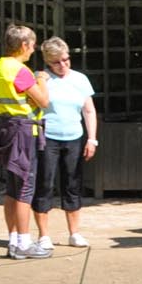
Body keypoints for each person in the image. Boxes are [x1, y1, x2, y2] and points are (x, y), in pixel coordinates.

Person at [0, 24, 51, 258]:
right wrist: (41, 79)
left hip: (5, 127)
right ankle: (24, 243)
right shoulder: (20, 70)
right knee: (25, 187)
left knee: (12, 188)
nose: (33, 50)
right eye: (32, 45)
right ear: (24, 45)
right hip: (23, 131)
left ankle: (13, 240)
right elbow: (43, 101)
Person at [33, 38, 98, 248]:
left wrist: (92, 139)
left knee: (73, 183)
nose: (63, 65)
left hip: (74, 136)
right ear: (48, 62)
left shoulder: (80, 79)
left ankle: (74, 232)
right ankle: (43, 235)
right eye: (57, 62)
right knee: (45, 183)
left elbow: (89, 110)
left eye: (66, 59)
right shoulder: (42, 79)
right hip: (48, 136)